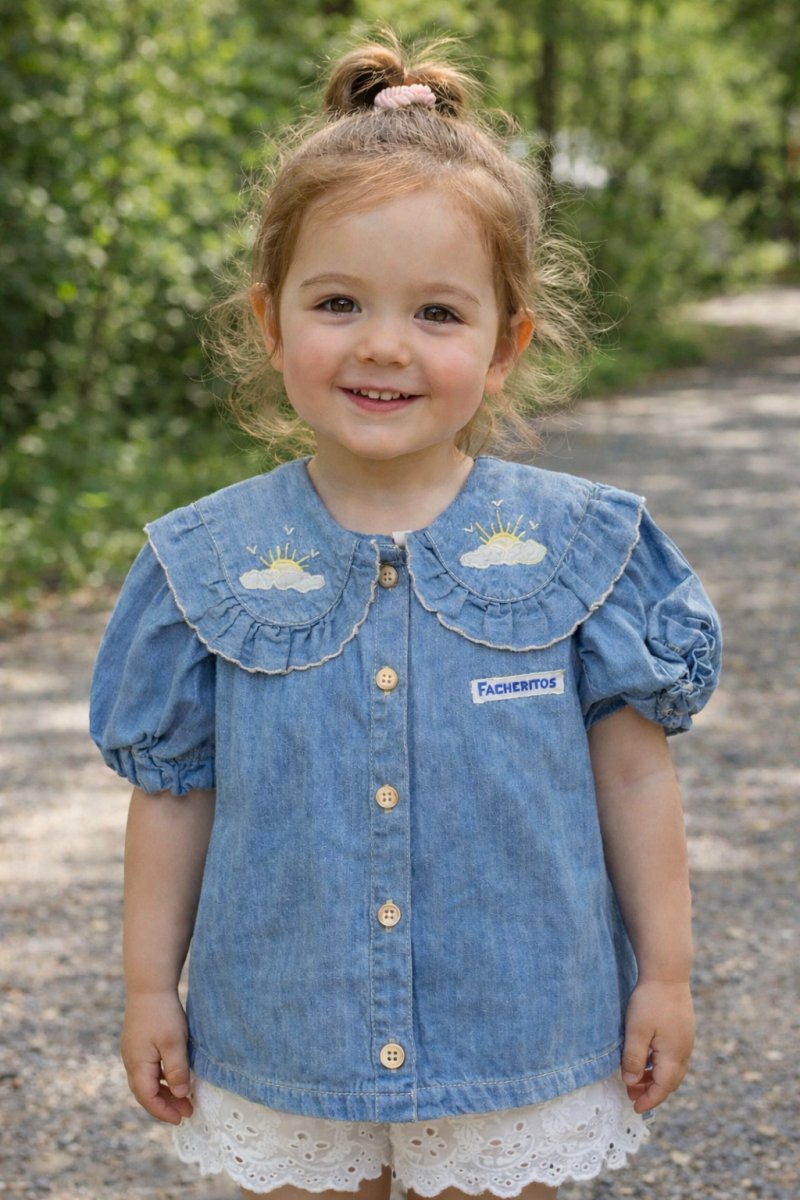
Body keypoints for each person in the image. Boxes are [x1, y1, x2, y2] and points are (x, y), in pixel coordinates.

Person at [90, 34, 722, 1200]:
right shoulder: (202, 563)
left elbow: (632, 780)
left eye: (437, 312)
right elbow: (173, 794)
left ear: (505, 341)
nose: (383, 343)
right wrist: (146, 991)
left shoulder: (586, 550)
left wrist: (666, 975)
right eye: (338, 302)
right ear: (271, 321)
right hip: (286, 1034)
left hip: (519, 1029)